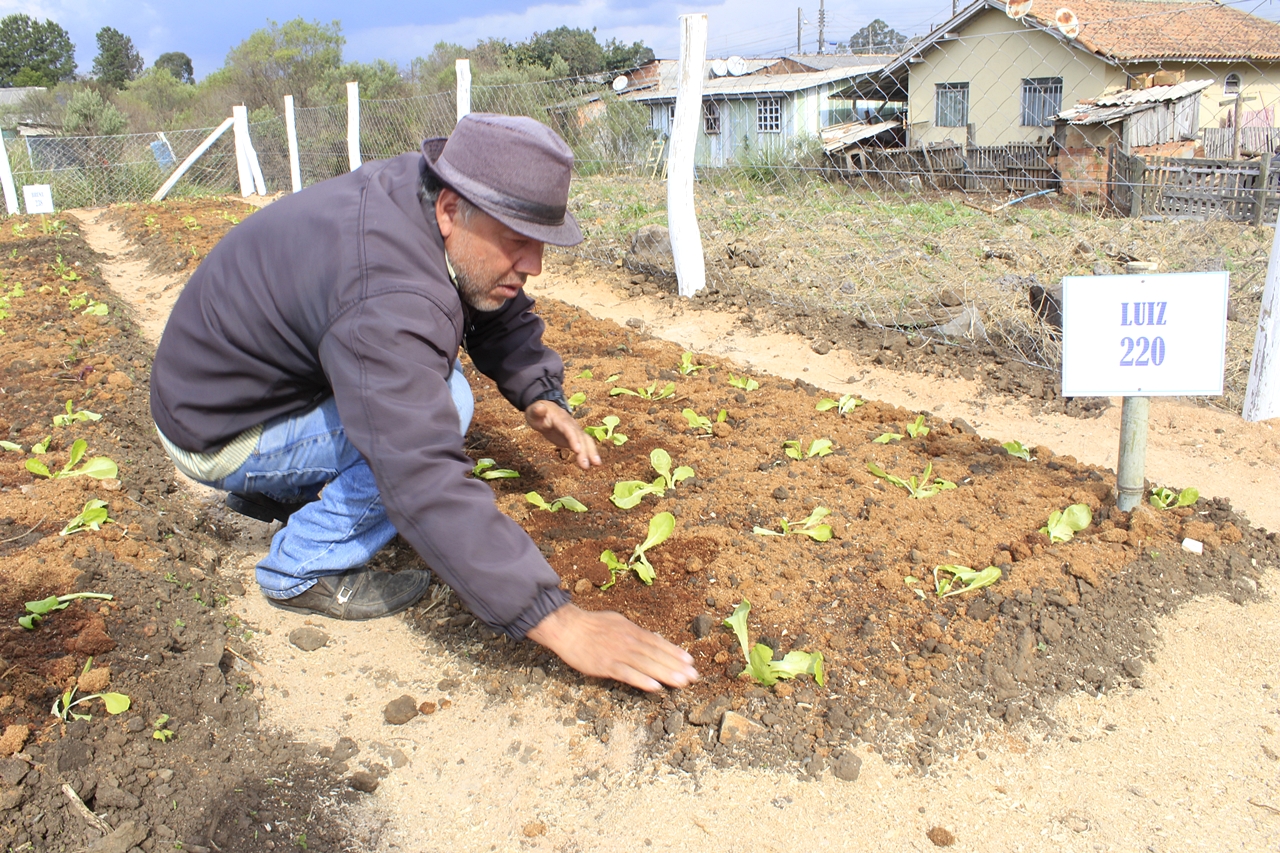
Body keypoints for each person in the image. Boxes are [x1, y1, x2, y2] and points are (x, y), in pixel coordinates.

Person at [150, 113, 697, 693]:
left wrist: (539, 392)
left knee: (436, 381)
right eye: (518, 240)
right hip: (220, 432)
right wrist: (559, 621)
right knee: (446, 403)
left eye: (540, 242)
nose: (534, 264)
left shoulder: (423, 196)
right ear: (450, 210)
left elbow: (487, 294)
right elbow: (418, 470)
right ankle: (300, 566)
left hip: (234, 392)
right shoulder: (387, 290)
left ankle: (275, 492)